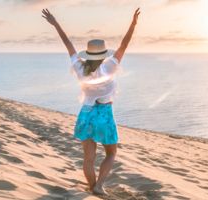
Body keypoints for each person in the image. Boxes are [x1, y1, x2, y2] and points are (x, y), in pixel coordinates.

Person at [41, 7, 139, 195]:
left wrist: (55, 24)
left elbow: (67, 44)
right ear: (103, 54)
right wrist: (133, 24)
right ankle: (99, 185)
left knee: (88, 158)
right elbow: (124, 45)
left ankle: (92, 187)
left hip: (86, 114)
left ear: (88, 54)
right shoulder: (110, 65)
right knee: (111, 153)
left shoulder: (79, 67)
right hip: (104, 114)